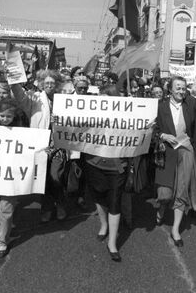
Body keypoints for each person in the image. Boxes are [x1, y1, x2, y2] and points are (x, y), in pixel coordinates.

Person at [155, 76, 196, 247]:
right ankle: (162, 208)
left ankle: (175, 229)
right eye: (178, 88)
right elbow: (152, 127)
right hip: (167, 153)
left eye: (184, 88)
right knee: (164, 193)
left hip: (186, 152)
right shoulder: (160, 106)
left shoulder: (191, 103)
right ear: (170, 89)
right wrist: (163, 135)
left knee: (182, 190)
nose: (181, 91)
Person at [11, 69, 66, 222]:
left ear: (57, 85)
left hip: (59, 146)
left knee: (56, 176)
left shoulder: (65, 100)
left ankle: (60, 204)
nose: (49, 85)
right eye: (47, 83)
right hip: (41, 146)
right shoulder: (34, 99)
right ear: (41, 84)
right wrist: (14, 81)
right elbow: (19, 95)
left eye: (53, 83)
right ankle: (47, 208)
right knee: (44, 179)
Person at [83, 84, 128, 262]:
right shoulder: (91, 116)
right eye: (101, 99)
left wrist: (147, 127)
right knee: (99, 196)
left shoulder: (127, 118)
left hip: (117, 165)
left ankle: (112, 243)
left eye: (107, 99)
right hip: (94, 163)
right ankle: (103, 225)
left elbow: (138, 133)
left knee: (115, 201)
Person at [0, 99, 24, 257]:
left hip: (11, 177)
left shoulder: (21, 131)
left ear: (13, 116)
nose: (5, 119)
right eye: (2, 116)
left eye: (8, 116)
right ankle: (2, 226)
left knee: (6, 209)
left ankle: (3, 241)